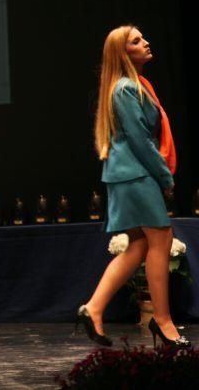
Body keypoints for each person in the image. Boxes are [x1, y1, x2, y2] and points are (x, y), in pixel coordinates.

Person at [77, 25, 190, 348]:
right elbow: (140, 140)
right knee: (161, 238)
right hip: (135, 174)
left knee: (139, 245)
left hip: (130, 174)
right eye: (137, 41)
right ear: (123, 53)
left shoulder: (134, 85)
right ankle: (163, 320)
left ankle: (94, 308)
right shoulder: (125, 89)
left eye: (143, 38)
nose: (146, 42)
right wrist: (164, 176)